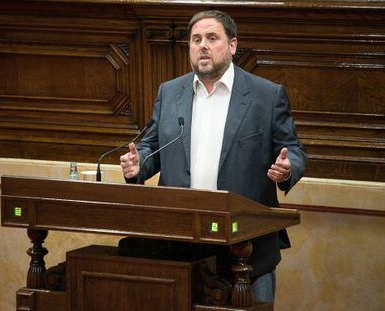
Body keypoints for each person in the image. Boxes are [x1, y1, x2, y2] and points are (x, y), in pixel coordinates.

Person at [120, 10, 307, 303]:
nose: (202, 45)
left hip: (246, 248)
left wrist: (287, 168)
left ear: (232, 45)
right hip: (181, 244)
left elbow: (294, 151)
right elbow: (151, 146)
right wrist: (138, 164)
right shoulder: (170, 92)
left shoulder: (266, 96)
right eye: (196, 40)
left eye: (211, 38)